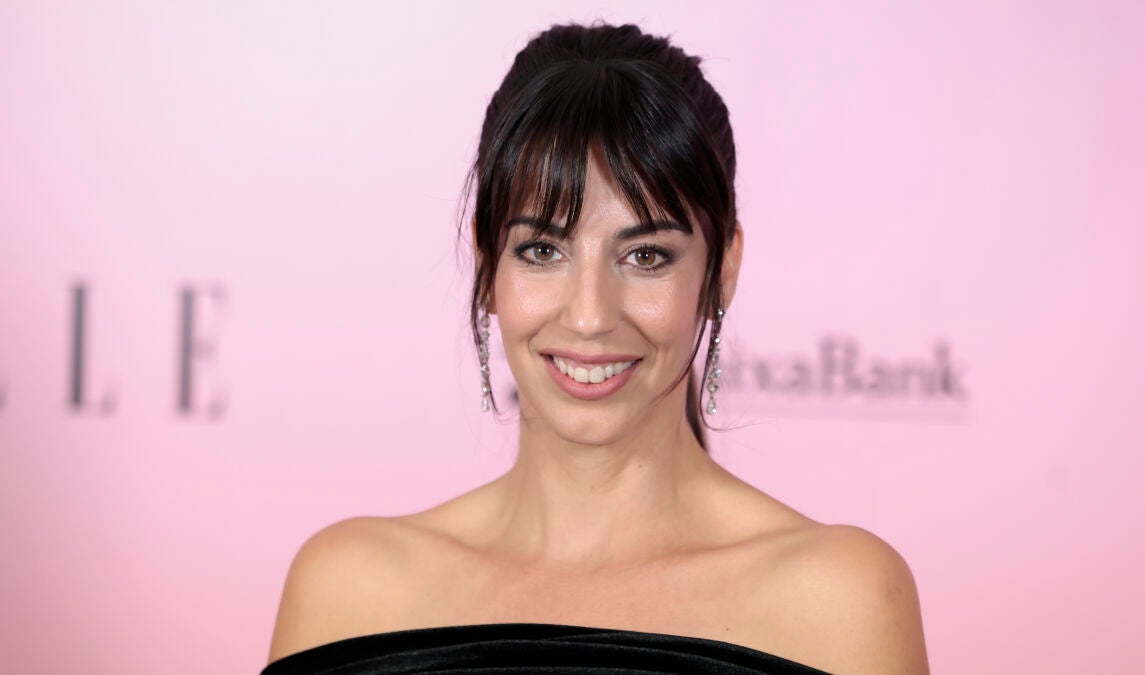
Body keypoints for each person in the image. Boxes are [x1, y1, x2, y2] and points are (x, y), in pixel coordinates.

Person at [263, 21, 929, 675]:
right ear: (487, 265)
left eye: (646, 255)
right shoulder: (348, 594)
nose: (589, 316)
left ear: (722, 270)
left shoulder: (842, 602)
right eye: (541, 250)